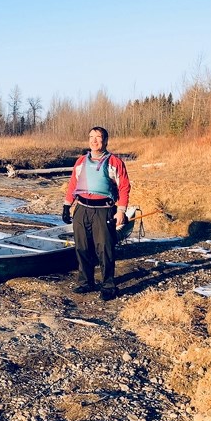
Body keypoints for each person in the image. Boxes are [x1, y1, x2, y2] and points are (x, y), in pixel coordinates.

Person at [62, 126, 131, 300]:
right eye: (91, 137)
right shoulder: (81, 161)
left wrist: (121, 210)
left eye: (98, 137)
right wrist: (66, 205)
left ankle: (108, 285)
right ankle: (86, 282)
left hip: (104, 211)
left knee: (104, 249)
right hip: (82, 209)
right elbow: (73, 184)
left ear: (105, 141)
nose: (94, 140)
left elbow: (124, 187)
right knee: (82, 247)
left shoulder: (114, 162)